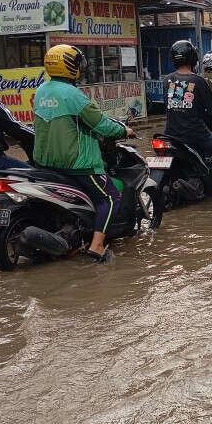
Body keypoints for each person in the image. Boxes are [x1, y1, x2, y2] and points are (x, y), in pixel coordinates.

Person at [33, 45, 134, 262]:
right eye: (77, 63)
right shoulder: (74, 95)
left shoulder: (42, 91)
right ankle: (97, 245)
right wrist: (124, 130)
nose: (80, 67)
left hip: (46, 163)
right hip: (78, 164)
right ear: (70, 66)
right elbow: (102, 125)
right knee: (109, 197)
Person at [163, 40, 212, 200]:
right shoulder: (198, 81)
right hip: (194, 132)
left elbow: (168, 106)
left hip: (171, 134)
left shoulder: (167, 80)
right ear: (193, 58)